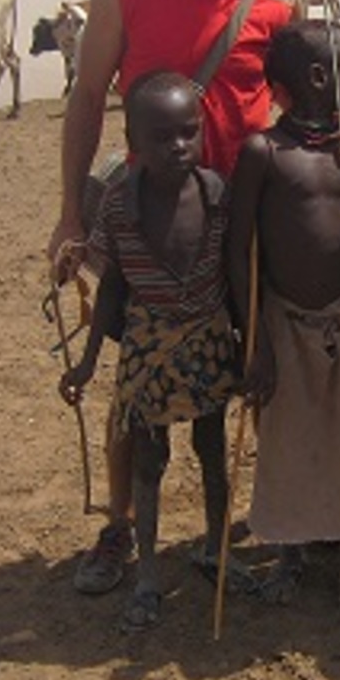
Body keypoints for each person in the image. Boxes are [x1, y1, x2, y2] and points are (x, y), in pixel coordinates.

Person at [48, 0, 295, 596]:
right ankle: (121, 526)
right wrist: (70, 213)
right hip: (147, 224)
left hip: (242, 220)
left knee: (255, 362)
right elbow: (88, 99)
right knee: (136, 373)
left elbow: (299, 97)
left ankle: (260, 520)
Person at [58, 72, 245, 630]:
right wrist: (89, 360)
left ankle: (214, 549)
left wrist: (250, 345)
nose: (178, 146)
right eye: (162, 137)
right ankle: (146, 578)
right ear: (134, 138)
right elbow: (113, 287)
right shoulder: (118, 206)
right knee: (149, 460)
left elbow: (235, 276)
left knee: (213, 451)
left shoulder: (218, 194)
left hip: (209, 342)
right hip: (148, 350)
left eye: (189, 132)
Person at [227, 20, 340, 608]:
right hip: (284, 324)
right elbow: (240, 252)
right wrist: (254, 341)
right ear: (321, 78)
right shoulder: (265, 153)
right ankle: (289, 549)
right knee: (289, 441)